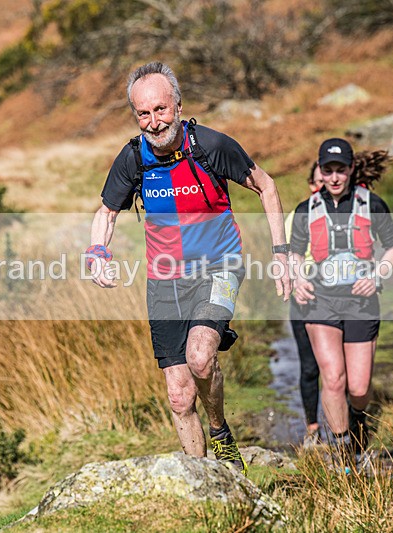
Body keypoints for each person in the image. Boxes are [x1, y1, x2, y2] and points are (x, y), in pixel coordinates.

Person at [87, 61, 292, 475]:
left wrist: (281, 253)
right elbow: (107, 212)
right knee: (180, 397)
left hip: (220, 266)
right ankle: (202, 486)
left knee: (200, 357)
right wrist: (96, 252)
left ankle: (219, 432)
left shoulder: (211, 146)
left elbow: (266, 186)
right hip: (165, 280)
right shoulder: (132, 159)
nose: (153, 121)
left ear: (178, 106)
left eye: (160, 110)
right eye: (143, 113)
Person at [289, 138, 393, 458]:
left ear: (352, 169)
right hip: (320, 301)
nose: (334, 177)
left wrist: (377, 276)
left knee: (359, 388)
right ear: (320, 172)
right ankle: (343, 455)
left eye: (340, 170)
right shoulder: (306, 210)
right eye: (328, 170)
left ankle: (358, 426)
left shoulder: (372, 204)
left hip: (361, 302)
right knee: (334, 378)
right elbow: (294, 253)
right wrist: (298, 280)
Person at [285, 162, 324, 448]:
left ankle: (348, 428)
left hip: (339, 297)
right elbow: (286, 257)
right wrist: (297, 283)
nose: (324, 186)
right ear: (311, 185)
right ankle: (313, 428)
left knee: (339, 369)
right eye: (318, 182)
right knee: (310, 366)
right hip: (306, 297)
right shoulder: (298, 215)